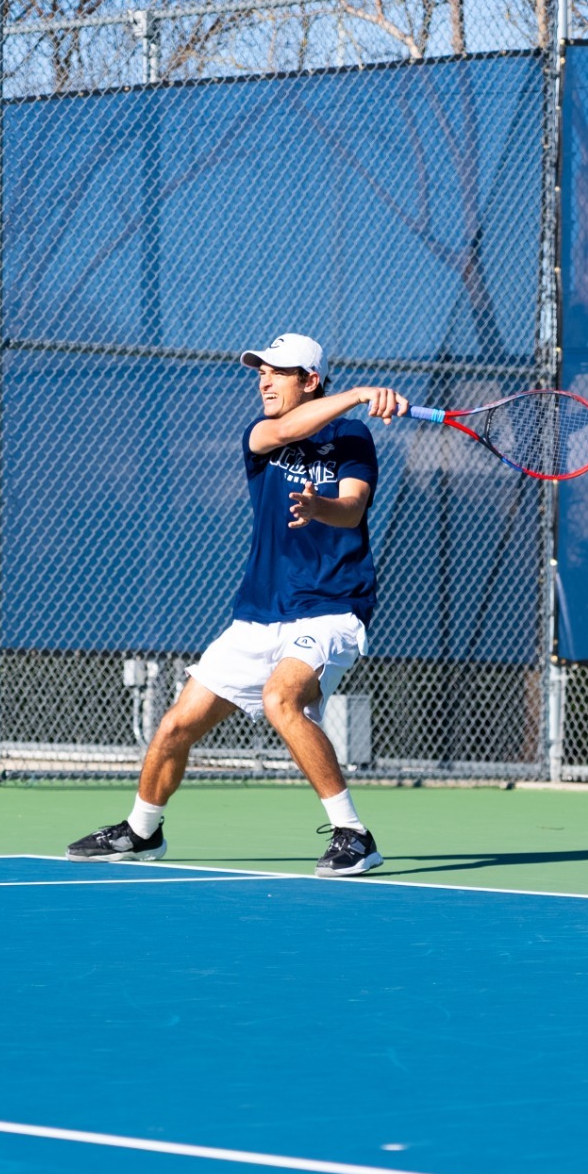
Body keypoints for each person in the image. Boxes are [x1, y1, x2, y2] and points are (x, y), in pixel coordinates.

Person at [67, 333, 405, 876]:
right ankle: (142, 831)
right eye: (260, 371)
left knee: (281, 700)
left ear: (310, 380)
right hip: (257, 615)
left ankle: (353, 834)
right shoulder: (262, 433)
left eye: (278, 372)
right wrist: (361, 390)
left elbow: (352, 509)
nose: (264, 380)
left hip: (331, 609)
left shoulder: (354, 439)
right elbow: (287, 430)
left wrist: (320, 505)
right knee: (176, 725)